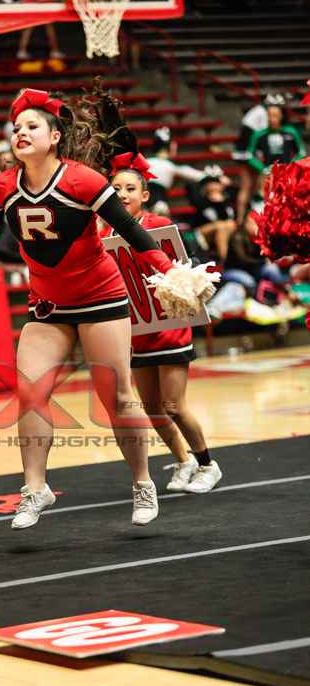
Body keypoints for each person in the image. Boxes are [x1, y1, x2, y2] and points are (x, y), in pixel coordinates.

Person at [0, 88, 217, 530]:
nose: (20, 132)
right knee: (30, 393)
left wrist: (169, 270)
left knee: (117, 398)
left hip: (100, 298)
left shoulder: (82, 181)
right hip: (48, 303)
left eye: (31, 126)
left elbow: (130, 229)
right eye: (16, 127)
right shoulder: (3, 186)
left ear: (55, 137)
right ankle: (35, 488)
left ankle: (143, 482)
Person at [105, 152, 222, 493]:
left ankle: (208, 465)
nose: (122, 194)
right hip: (137, 331)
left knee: (174, 406)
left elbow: (188, 264)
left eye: (130, 189)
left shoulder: (158, 225)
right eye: (116, 189)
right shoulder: (102, 233)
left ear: (145, 195)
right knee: (154, 410)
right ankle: (184, 461)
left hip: (169, 327)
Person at [145, 127, 211, 216]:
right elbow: (195, 175)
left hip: (147, 201)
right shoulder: (169, 166)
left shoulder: (147, 162)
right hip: (158, 203)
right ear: (170, 146)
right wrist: (215, 176)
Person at [247, 95, 306, 174]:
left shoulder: (290, 132)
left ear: (281, 115)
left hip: (286, 173)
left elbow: (301, 152)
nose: (273, 119)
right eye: (270, 116)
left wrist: (290, 166)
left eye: (275, 116)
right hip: (268, 173)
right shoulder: (260, 134)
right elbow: (249, 155)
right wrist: (263, 169)